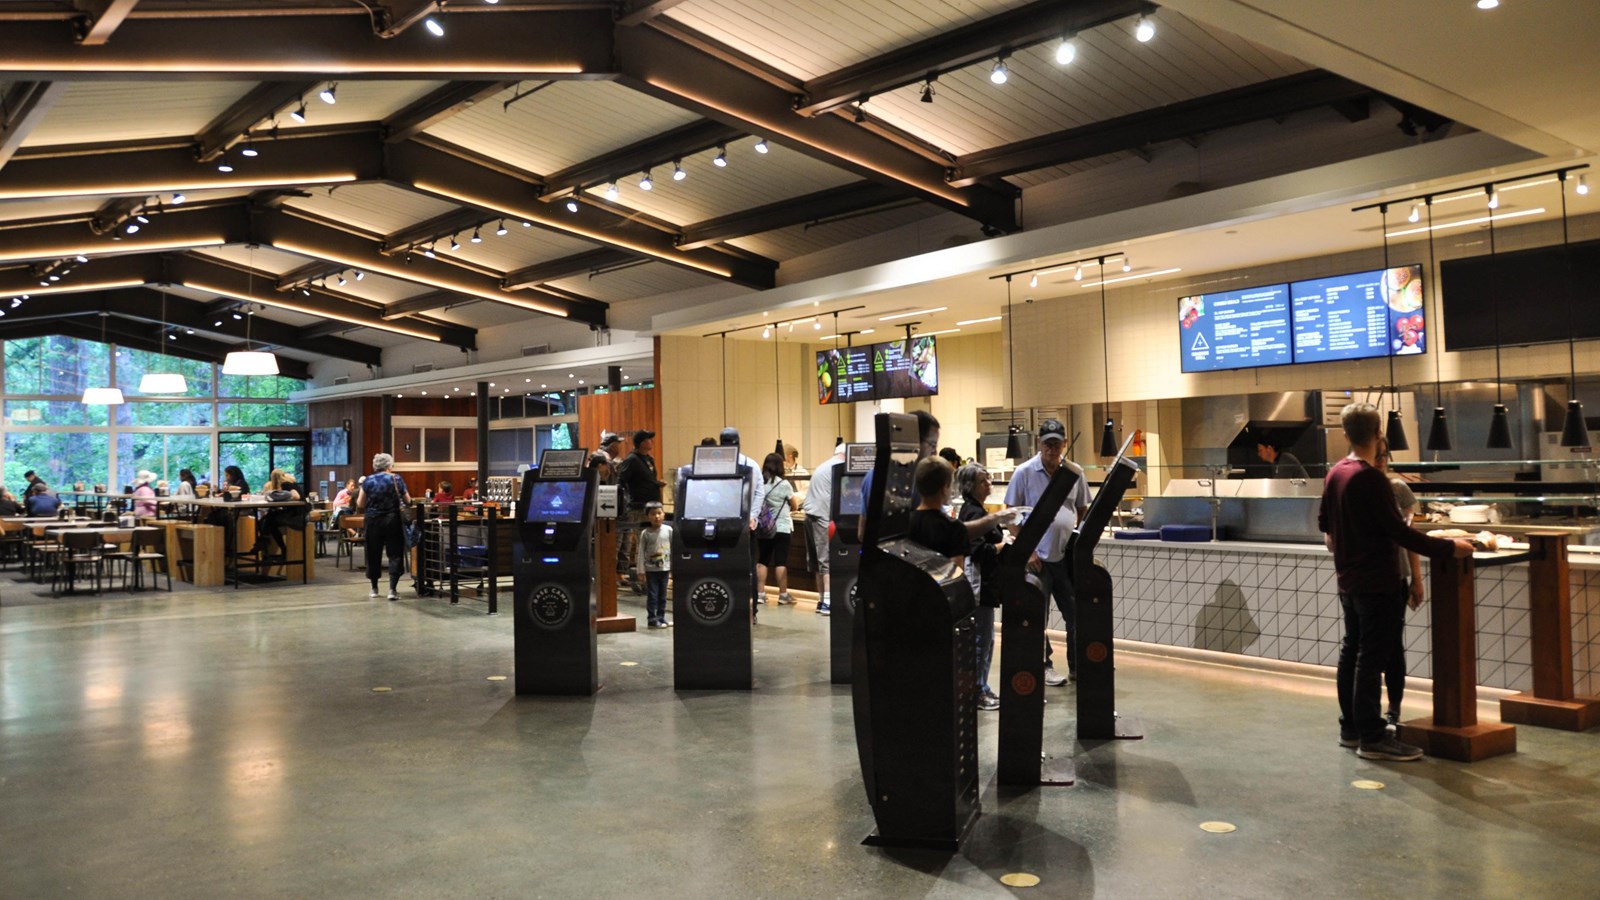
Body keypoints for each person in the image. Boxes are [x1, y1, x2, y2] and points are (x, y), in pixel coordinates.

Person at [1319, 402, 1472, 762]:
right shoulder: (1370, 477)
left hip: (1349, 581)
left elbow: (1325, 525)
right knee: (1371, 659)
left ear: (1345, 434)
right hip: (1379, 582)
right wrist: (1451, 548)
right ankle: (1373, 738)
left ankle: (1352, 728)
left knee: (1353, 653)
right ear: (1378, 435)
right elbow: (1399, 533)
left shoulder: (1336, 472)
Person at [1004, 418, 1090, 687]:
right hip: (1036, 560)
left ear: (1064, 444)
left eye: (1057, 443)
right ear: (1039, 444)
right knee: (1036, 615)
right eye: (1047, 444)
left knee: (1074, 613)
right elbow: (1010, 515)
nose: (1052, 449)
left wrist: (1070, 534)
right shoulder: (1024, 472)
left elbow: (1081, 507)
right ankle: (1044, 665)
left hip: (1063, 559)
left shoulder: (1074, 473)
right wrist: (1026, 550)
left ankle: (1077, 666)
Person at [1375, 437, 1428, 732]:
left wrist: (1417, 580)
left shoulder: (1398, 489)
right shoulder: (1361, 486)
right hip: (1370, 578)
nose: (1381, 460)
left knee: (1394, 646)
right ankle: (1367, 714)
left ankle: (1394, 709)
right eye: (1378, 454)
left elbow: (1411, 538)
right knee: (1370, 648)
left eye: (1385, 455)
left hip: (1397, 576)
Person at [958, 463, 1006, 711]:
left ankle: (982, 686)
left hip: (986, 586)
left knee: (986, 640)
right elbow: (978, 550)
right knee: (981, 640)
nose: (989, 484)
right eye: (983, 481)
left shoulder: (976, 510)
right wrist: (1003, 546)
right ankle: (977, 691)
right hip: (979, 586)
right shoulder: (974, 514)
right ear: (970, 486)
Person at [356, 452, 412, 601]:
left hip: (372, 520)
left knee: (373, 553)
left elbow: (360, 503)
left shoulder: (368, 480)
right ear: (389, 465)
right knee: (394, 553)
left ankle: (374, 588)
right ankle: (392, 590)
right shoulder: (396, 478)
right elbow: (408, 499)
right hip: (392, 520)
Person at [615, 430, 663, 593]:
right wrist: (627, 499)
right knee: (643, 543)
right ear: (641, 442)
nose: (651, 441)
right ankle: (643, 580)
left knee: (654, 543)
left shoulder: (649, 459)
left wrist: (656, 484)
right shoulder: (632, 460)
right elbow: (621, 481)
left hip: (651, 505)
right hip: (638, 507)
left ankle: (652, 579)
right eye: (648, 439)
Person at [803, 441, 845, 615]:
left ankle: (821, 600)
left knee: (816, 561)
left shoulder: (824, 465)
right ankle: (828, 601)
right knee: (826, 559)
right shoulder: (838, 467)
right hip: (822, 515)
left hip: (810, 514)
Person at [755, 452, 797, 606]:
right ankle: (783, 595)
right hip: (782, 527)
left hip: (765, 527)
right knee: (781, 561)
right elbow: (795, 505)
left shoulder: (760, 483)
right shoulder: (784, 484)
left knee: (763, 560)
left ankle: (760, 594)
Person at [255, 467, 304, 560]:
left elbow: (296, 496)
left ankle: (265, 542)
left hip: (296, 514)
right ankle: (264, 542)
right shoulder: (291, 482)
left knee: (269, 520)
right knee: (269, 519)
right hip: (298, 511)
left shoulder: (286, 484)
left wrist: (284, 498)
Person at [639, 501, 673, 628]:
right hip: (651, 570)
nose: (657, 516)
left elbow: (673, 550)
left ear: (664, 514)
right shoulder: (645, 533)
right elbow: (641, 552)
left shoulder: (669, 530)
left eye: (659, 513)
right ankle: (652, 619)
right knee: (653, 595)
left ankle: (661, 617)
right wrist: (641, 570)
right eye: (653, 514)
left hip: (665, 568)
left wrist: (673, 567)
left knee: (662, 595)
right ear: (648, 516)